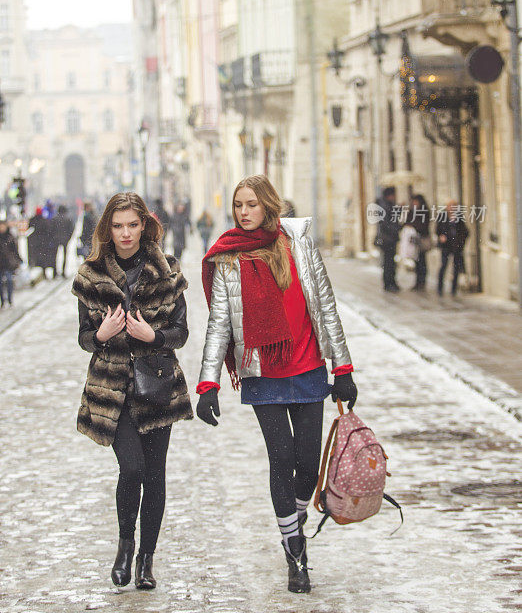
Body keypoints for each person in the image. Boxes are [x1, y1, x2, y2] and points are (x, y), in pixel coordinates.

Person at [196, 175, 357, 594]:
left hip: (307, 368)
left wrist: (343, 369)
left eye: (251, 204)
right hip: (262, 371)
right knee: (281, 457)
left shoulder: (298, 242)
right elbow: (218, 325)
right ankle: (295, 551)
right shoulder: (228, 257)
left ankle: (294, 519)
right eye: (238, 205)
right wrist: (208, 383)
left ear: (268, 205)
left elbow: (325, 304)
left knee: (307, 465)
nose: (244, 212)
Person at [71, 192, 192, 590]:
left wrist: (152, 334)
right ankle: (125, 545)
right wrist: (102, 335)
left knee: (155, 475)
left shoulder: (167, 271)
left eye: (132, 225)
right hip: (113, 388)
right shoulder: (91, 274)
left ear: (144, 225)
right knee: (133, 468)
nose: (125, 234)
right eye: (118, 226)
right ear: (108, 228)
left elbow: (181, 333)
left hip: (157, 386)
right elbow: (85, 337)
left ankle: (146, 560)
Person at [436, 200, 469, 296]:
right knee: (443, 266)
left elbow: (465, 232)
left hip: (456, 247)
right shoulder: (442, 216)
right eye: (450, 206)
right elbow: (437, 230)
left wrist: (461, 242)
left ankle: (453, 288)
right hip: (446, 246)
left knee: (456, 268)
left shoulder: (459, 218)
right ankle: (440, 288)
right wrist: (441, 236)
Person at [375, 186, 401, 291]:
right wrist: (398, 227)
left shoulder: (386, 205)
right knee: (389, 262)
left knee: (389, 262)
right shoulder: (385, 206)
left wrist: (399, 209)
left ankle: (390, 282)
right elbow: (387, 223)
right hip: (388, 239)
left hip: (389, 238)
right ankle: (389, 283)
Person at [405, 194, 431, 290]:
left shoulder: (424, 211)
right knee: (416, 261)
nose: (414, 203)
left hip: (422, 239)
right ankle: (417, 282)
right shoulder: (411, 212)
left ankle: (422, 281)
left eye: (416, 201)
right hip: (414, 240)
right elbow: (406, 222)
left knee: (422, 260)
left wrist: (414, 226)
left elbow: (424, 225)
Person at [27, 207, 55, 278]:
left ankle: (37, 272)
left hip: (35, 243)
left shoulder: (32, 220)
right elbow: (49, 231)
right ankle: (43, 272)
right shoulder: (44, 220)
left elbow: (30, 230)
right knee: (43, 258)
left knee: (36, 258)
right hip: (43, 243)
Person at [0, 221, 22, 307]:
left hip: (8, 263)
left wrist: (19, 259)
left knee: (9, 280)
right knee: (1, 283)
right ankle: (2, 300)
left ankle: (9, 299)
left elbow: (15, 250)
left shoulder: (9, 237)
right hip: (1, 264)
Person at [51, 204, 75, 278]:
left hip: (56, 239)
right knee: (65, 256)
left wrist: (53, 237)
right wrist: (68, 238)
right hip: (65, 239)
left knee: (55, 256)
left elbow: (51, 230)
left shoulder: (54, 219)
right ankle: (63, 272)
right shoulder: (68, 219)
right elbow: (71, 230)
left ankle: (55, 272)